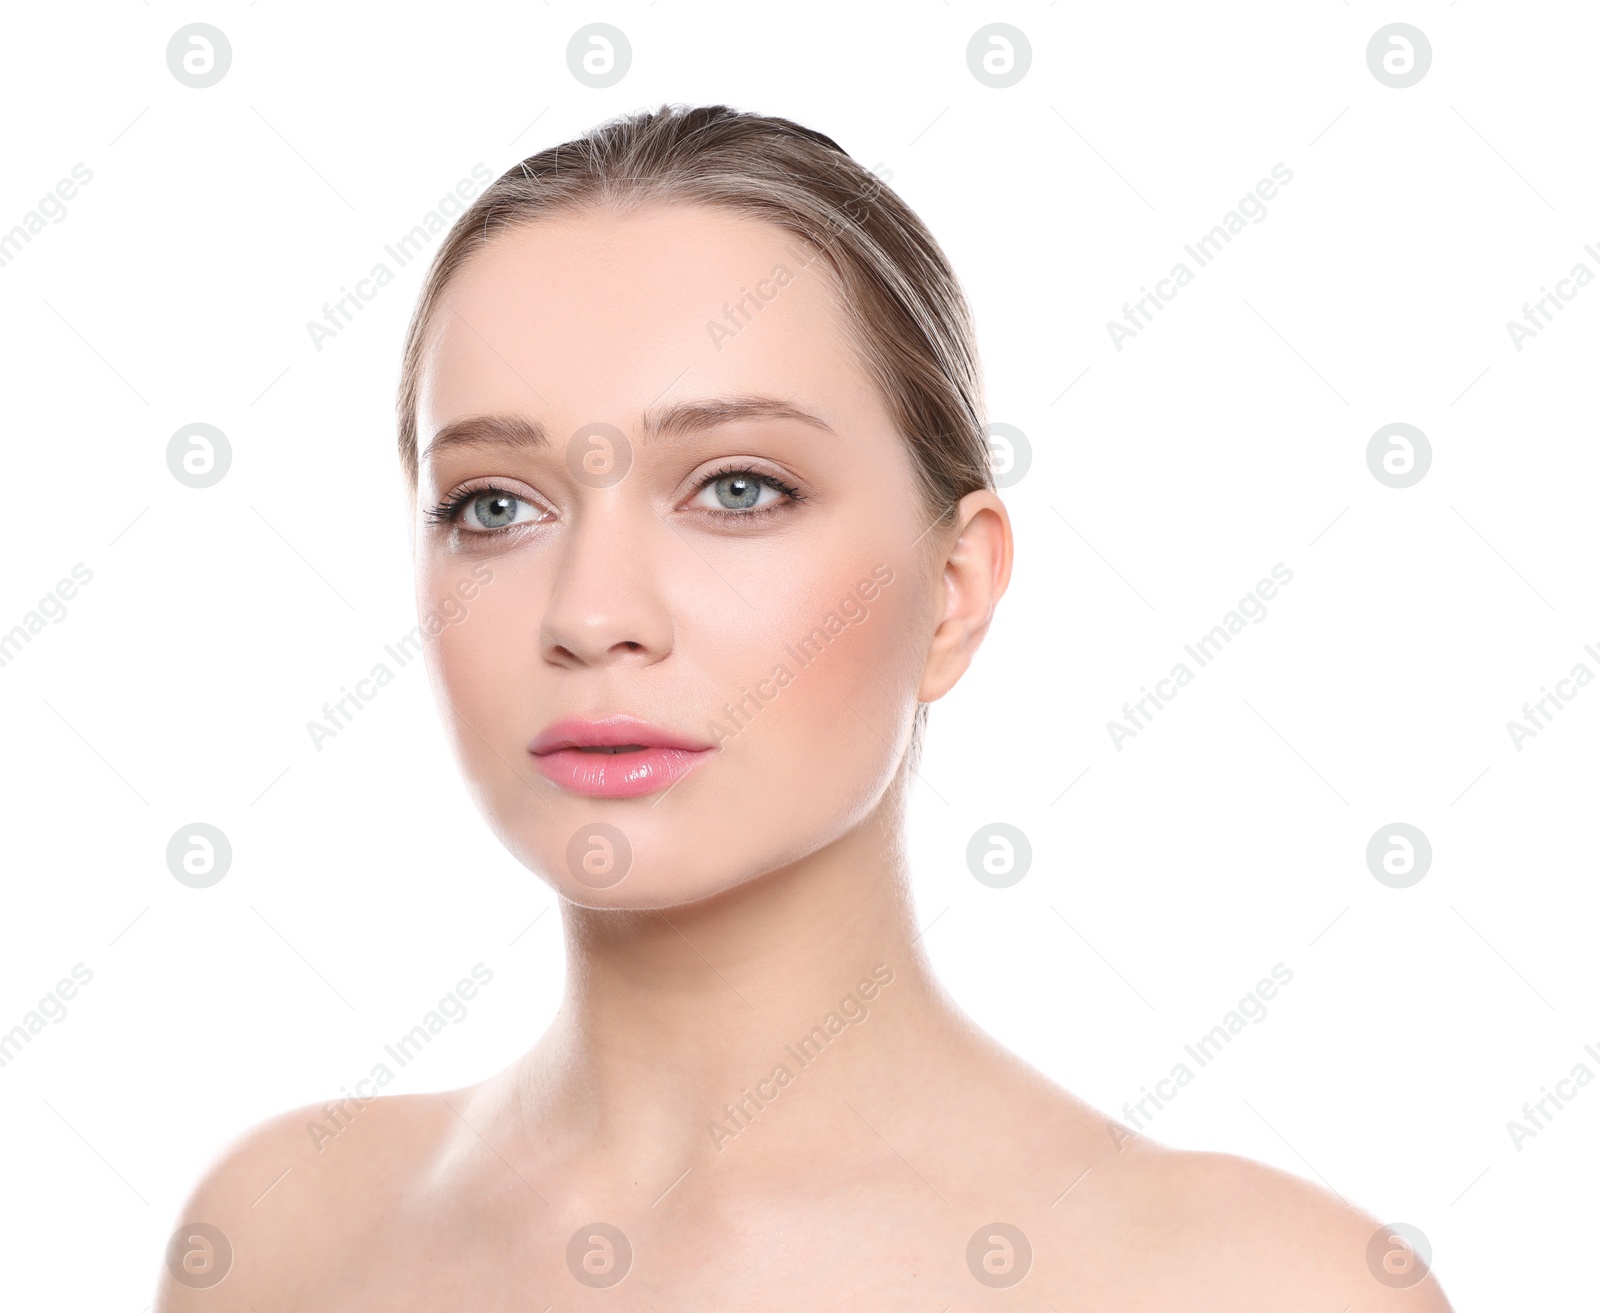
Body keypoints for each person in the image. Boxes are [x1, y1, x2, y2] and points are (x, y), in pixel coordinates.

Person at [156, 104, 1452, 1309]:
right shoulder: (280, 1236)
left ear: (952, 591)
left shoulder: (1266, 1286)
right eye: (494, 503)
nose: (592, 610)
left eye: (735, 488)